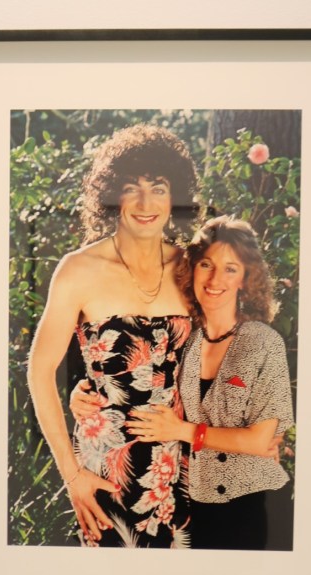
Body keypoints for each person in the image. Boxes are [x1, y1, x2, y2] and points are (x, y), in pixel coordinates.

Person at [26, 123, 199, 547]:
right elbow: (40, 371)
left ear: (174, 195)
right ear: (111, 194)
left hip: (182, 465)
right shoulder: (78, 270)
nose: (145, 203)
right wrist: (72, 475)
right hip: (106, 470)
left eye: (158, 188)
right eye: (130, 188)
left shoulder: (191, 268)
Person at [122, 215, 295, 549]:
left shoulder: (263, 342)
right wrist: (81, 394)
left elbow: (260, 441)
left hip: (256, 506)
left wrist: (183, 431)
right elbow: (132, 378)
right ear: (192, 270)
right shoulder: (186, 341)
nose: (216, 279)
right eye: (206, 264)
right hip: (196, 507)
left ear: (246, 279)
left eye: (231, 269)